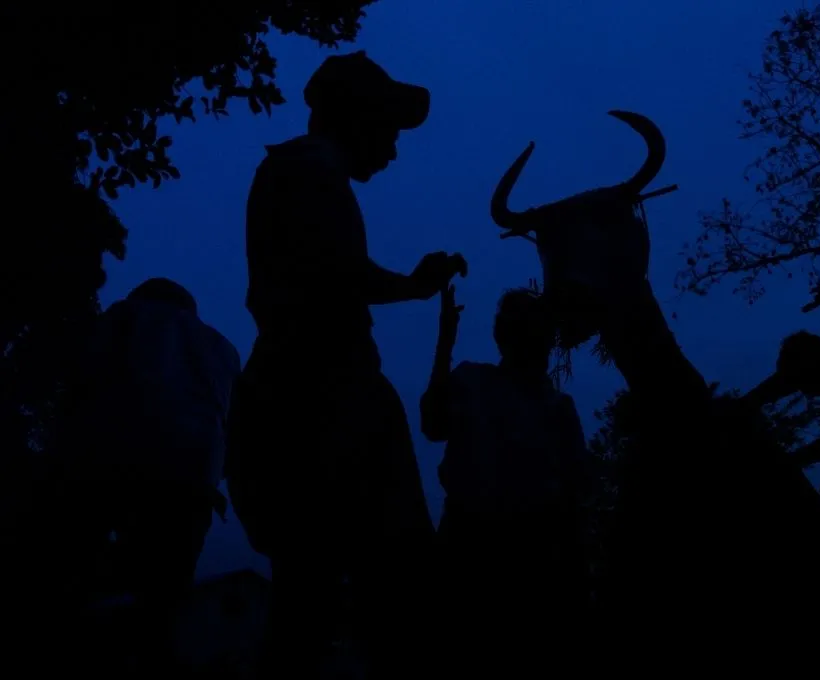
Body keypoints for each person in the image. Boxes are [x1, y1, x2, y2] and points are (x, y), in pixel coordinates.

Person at [226, 50, 466, 677]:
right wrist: (414, 288)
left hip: (299, 399)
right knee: (387, 592)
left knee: (309, 594)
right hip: (328, 402)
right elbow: (335, 276)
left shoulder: (298, 174)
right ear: (355, 117)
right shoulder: (308, 171)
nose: (391, 149)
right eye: (386, 129)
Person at [53, 277, 240, 671]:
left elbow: (76, 386)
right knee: (166, 598)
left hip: (105, 470)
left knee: (74, 579)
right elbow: (232, 424)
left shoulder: (118, 320)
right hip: (190, 482)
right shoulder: (220, 347)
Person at [420, 285, 589, 678]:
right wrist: (445, 339)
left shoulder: (557, 409)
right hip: (476, 557)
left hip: (528, 564)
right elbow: (433, 423)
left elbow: (574, 495)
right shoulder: (475, 383)